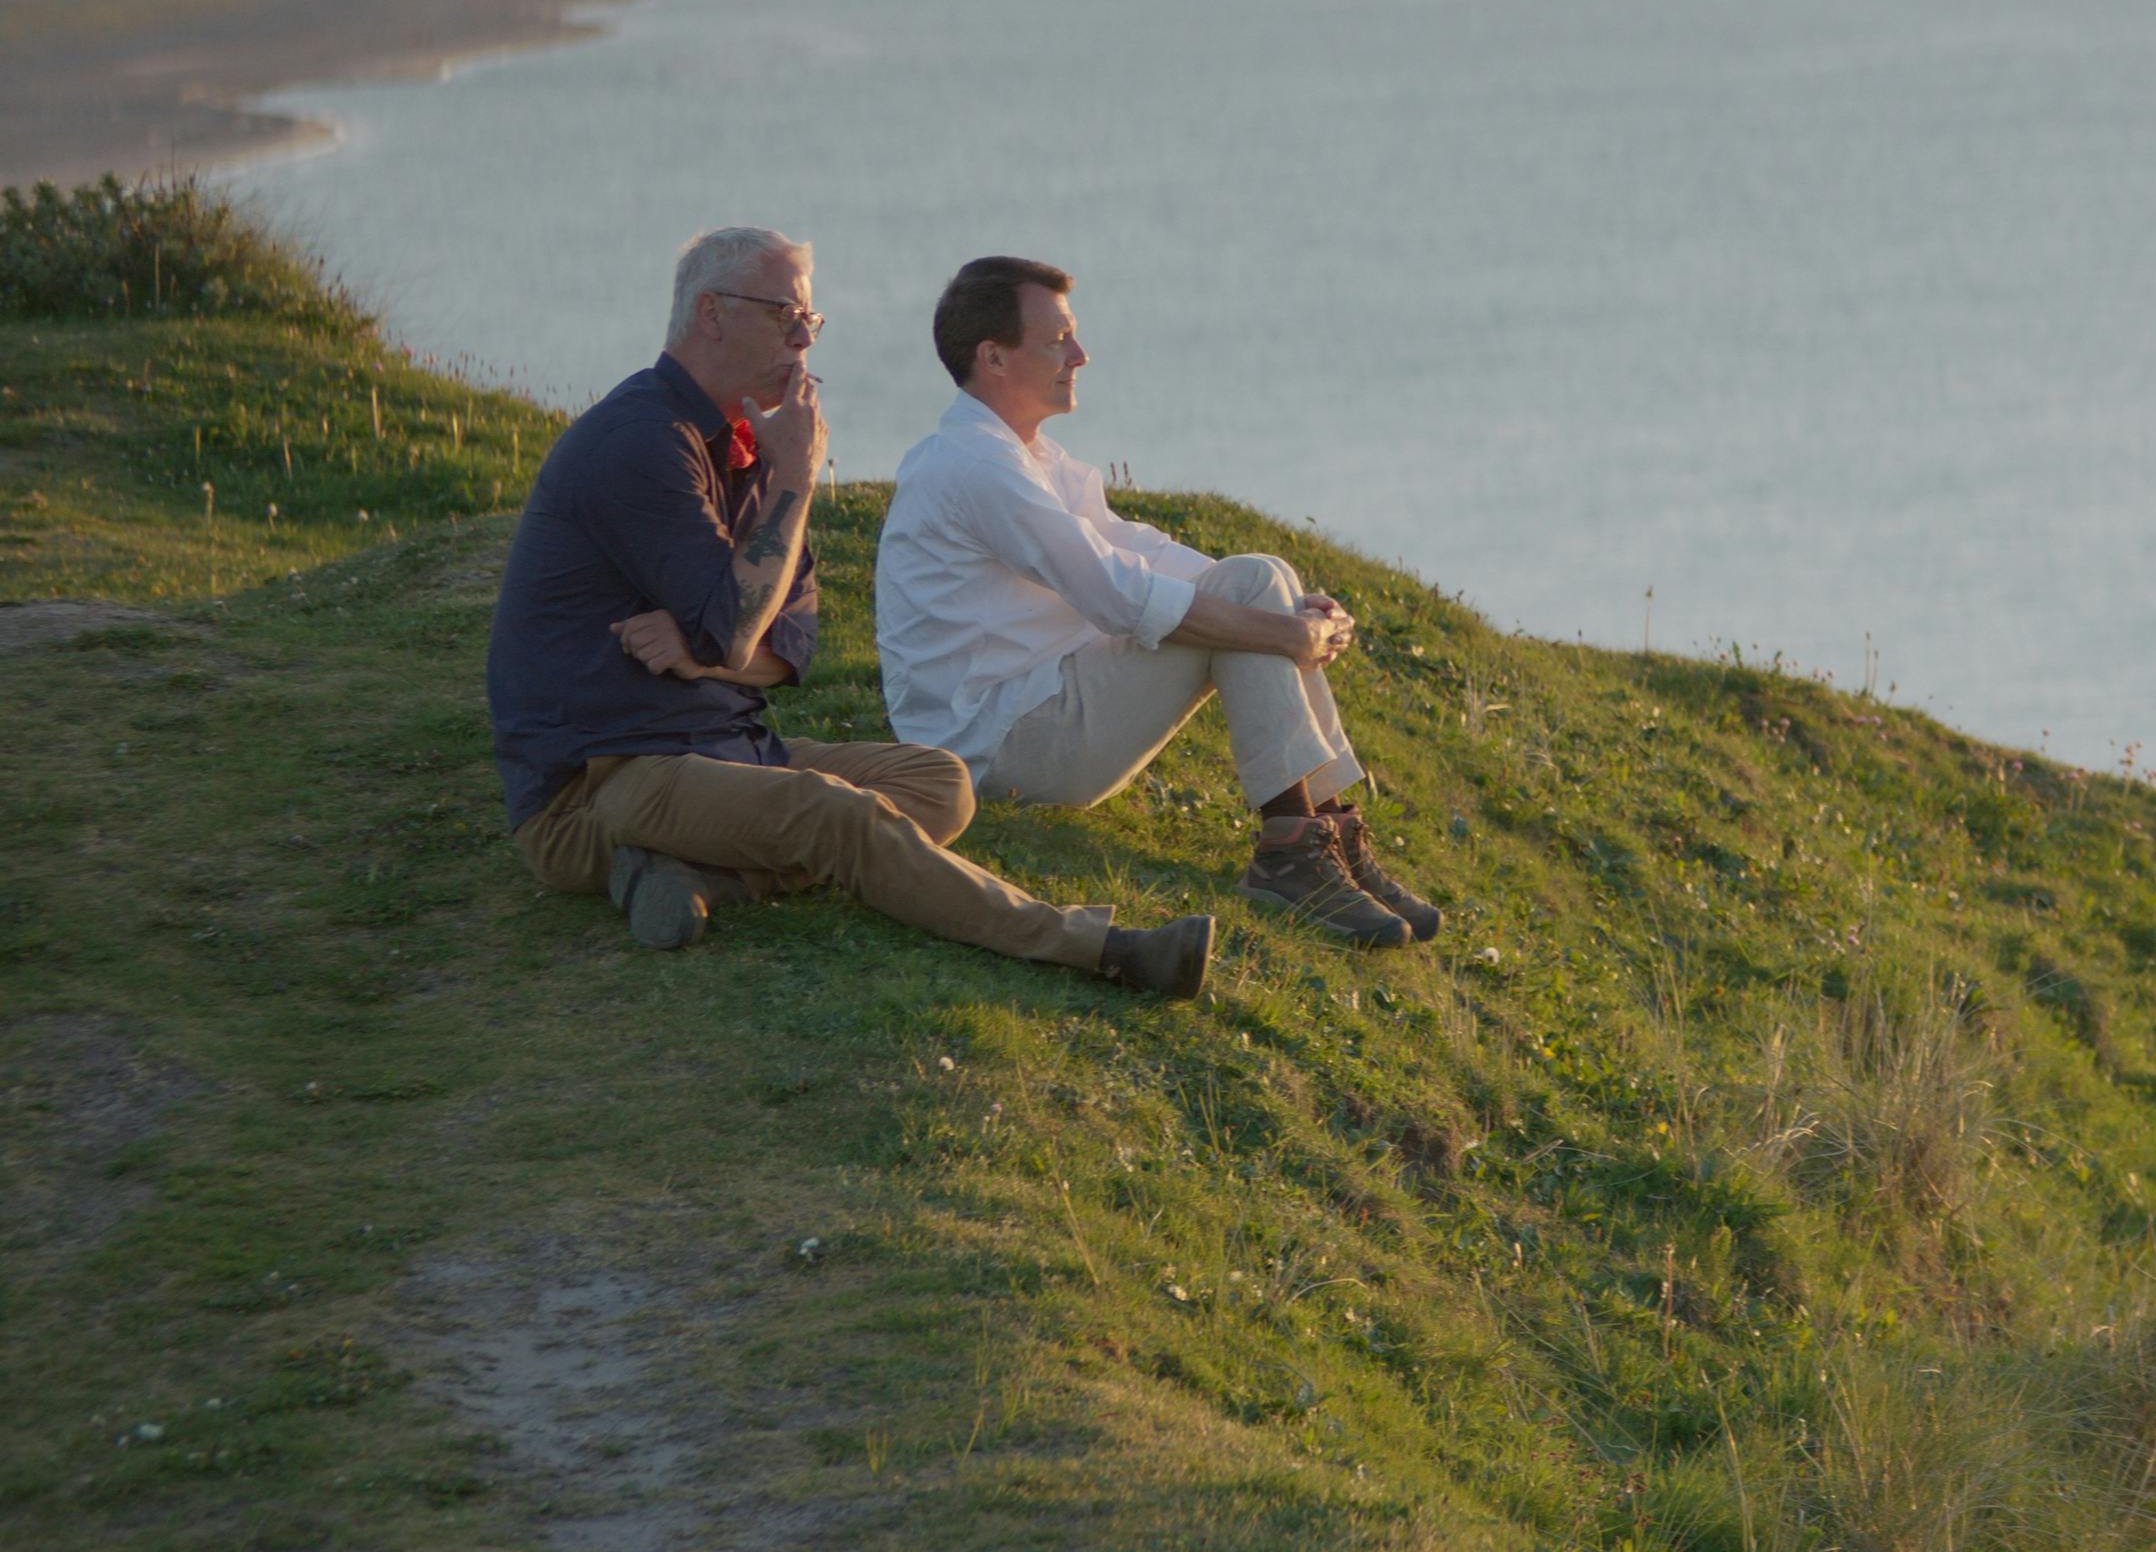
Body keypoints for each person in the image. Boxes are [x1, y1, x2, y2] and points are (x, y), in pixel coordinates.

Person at [484, 227, 1213, 995]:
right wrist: (793, 482)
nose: (804, 340)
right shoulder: (642, 441)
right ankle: (1100, 948)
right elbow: (738, 633)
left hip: (725, 749)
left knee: (940, 785)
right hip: (602, 783)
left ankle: (694, 876)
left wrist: (705, 650)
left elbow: (786, 649)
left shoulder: (753, 445)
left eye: (812, 321)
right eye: (784, 315)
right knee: (839, 815)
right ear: (711, 315)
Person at [876, 256, 1441, 948]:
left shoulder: (1025, 456)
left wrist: (1283, 610)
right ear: (992, 357)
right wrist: (1276, 629)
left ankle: (1324, 839)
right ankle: (1294, 855)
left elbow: (1129, 546)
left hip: (1041, 706)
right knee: (1249, 593)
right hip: (999, 745)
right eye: (1057, 340)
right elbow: (1116, 594)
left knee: (1259, 576)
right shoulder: (975, 467)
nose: (1079, 355)